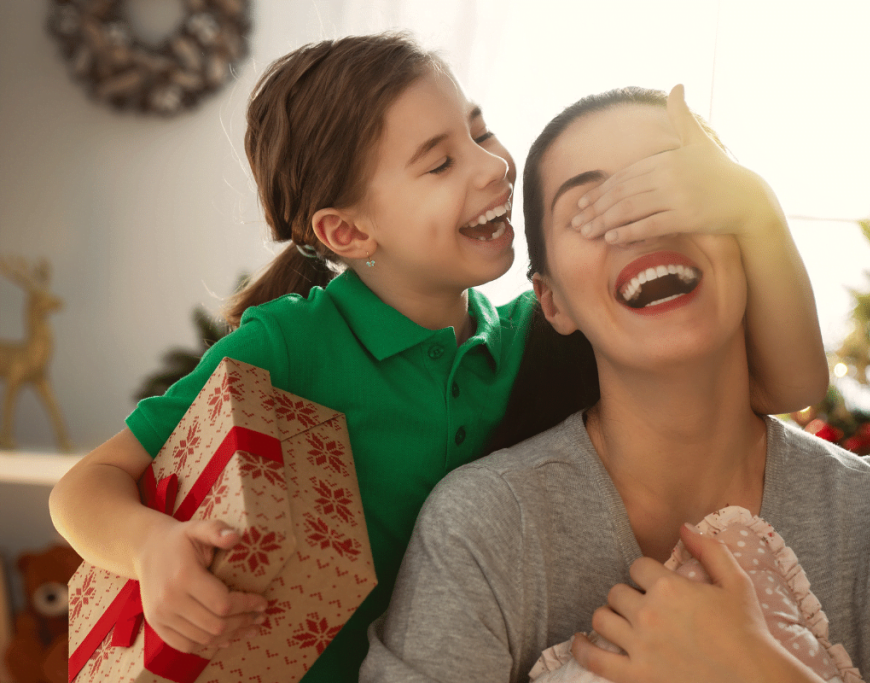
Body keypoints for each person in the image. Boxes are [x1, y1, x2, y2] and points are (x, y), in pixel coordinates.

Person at [49, 34, 827, 683]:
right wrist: (151, 548)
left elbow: (788, 383)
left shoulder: (533, 333)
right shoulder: (285, 342)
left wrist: (749, 207)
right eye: (440, 162)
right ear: (349, 233)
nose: (493, 167)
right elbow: (84, 488)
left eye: (480, 132)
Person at [360, 85, 870, 683]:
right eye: (589, 206)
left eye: (681, 189)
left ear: (745, 243)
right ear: (551, 300)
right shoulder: (483, 529)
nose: (640, 223)